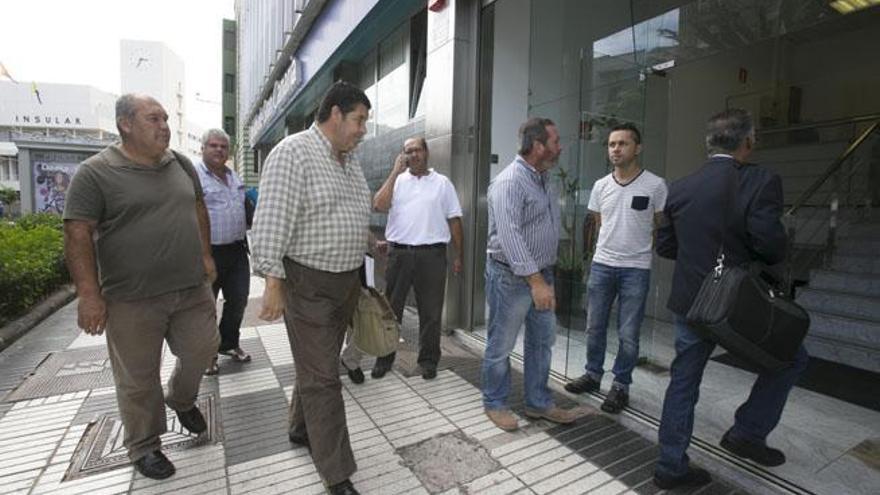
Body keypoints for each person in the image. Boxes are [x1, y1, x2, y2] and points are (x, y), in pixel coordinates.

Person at [63, 94, 219, 480]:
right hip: (131, 298)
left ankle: (181, 398)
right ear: (125, 124)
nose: (164, 125)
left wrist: (206, 255)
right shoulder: (95, 173)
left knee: (204, 348)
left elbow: (198, 207)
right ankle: (145, 446)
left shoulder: (180, 163)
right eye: (153, 118)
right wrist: (88, 294)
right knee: (137, 377)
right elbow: (77, 232)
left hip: (190, 289)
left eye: (166, 118)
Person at [652, 109, 809, 489]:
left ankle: (670, 468)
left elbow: (667, 246)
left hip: (691, 303)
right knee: (791, 359)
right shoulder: (761, 181)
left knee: (683, 382)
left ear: (708, 144)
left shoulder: (680, 187)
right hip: (740, 307)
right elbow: (770, 246)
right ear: (748, 142)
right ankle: (747, 433)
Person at [250, 81, 372, 495]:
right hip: (308, 284)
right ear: (335, 114)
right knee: (324, 377)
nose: (362, 130)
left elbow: (351, 211)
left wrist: (367, 242)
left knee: (316, 363)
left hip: (346, 282)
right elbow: (270, 222)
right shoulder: (292, 153)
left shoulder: (349, 160)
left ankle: (301, 427)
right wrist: (272, 282)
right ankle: (336, 475)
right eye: (358, 120)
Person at [481, 117, 579, 432]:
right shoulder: (510, 182)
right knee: (501, 344)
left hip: (542, 275)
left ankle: (538, 403)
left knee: (542, 342)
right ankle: (495, 403)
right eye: (555, 141)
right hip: (513, 278)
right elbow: (510, 237)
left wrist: (544, 276)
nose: (559, 147)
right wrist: (536, 281)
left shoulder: (544, 179)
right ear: (538, 146)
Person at [564, 123, 667, 414]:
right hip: (602, 265)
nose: (616, 149)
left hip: (636, 268)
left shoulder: (655, 185)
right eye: (611, 144)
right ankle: (593, 375)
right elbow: (597, 223)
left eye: (622, 143)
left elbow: (660, 226)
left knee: (628, 333)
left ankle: (621, 385)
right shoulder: (601, 186)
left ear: (638, 148)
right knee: (594, 326)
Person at [365, 136, 464, 380]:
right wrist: (394, 172)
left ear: (426, 152)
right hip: (399, 254)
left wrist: (458, 256)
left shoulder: (442, 183)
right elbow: (378, 204)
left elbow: (455, 221)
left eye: (417, 150)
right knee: (391, 310)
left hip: (432, 256)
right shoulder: (397, 181)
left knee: (430, 312)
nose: (412, 155)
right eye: (407, 151)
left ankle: (429, 361)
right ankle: (384, 358)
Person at [195, 128, 251, 375]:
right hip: (208, 253)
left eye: (223, 146)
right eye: (213, 145)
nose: (219, 150)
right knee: (206, 305)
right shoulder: (195, 177)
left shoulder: (234, 177)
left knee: (238, 299)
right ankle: (208, 354)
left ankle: (228, 343)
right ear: (203, 148)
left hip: (237, 251)